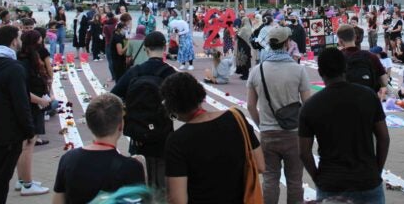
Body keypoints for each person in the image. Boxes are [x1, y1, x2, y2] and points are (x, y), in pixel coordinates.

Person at [298, 47, 390, 203]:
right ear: (345, 68)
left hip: (331, 182)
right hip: (367, 180)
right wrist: (376, 170)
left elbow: (304, 152)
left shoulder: (311, 106)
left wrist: (318, 178)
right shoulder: (368, 96)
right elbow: (384, 138)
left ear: (320, 72)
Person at [163, 72, 264, 204]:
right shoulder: (235, 118)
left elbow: (178, 200)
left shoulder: (176, 141)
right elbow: (260, 165)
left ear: (173, 108)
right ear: (200, 93)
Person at [247, 26, 311, 204]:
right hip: (293, 133)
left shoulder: (257, 71)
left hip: (268, 134)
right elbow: (307, 104)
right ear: (287, 43)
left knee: (270, 180)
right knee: (295, 181)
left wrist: (262, 125)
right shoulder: (298, 70)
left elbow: (251, 106)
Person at [52, 94, 146, 204]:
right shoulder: (131, 168)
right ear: (120, 126)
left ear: (89, 124)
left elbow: (57, 201)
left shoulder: (68, 159)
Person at [0, 25, 35, 204]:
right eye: (19, 37)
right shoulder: (13, 68)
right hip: (8, 131)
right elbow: (21, 102)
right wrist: (29, 130)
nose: (21, 41)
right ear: (13, 41)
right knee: (2, 177)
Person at [111, 32, 176, 188]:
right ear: (165, 48)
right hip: (163, 131)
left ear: (146, 49)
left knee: (139, 174)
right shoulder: (170, 73)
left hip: (138, 131)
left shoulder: (136, 71)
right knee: (162, 173)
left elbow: (113, 96)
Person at [15, 30, 52, 195]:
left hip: (33, 104)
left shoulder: (23, 59)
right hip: (32, 105)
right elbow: (23, 90)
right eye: (39, 40)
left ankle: (22, 179)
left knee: (26, 144)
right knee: (28, 145)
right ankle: (27, 185)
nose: (41, 42)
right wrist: (41, 100)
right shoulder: (25, 63)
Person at [336, 24, 388, 96]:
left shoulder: (337, 58)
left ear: (340, 41)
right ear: (355, 37)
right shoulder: (371, 56)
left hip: (346, 100)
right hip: (368, 99)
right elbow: (384, 82)